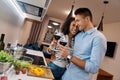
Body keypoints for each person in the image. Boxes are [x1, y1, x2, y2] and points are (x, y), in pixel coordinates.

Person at [59, 8, 107, 80]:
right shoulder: (78, 35)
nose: (77, 24)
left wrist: (69, 56)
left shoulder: (99, 38)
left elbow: (93, 68)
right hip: (65, 76)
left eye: (78, 20)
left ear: (87, 19)